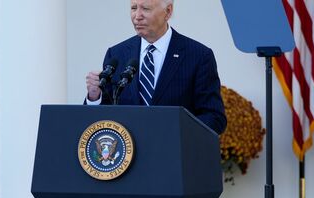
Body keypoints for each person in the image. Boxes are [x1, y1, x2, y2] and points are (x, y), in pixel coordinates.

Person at [84, 0, 227, 135]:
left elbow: (214, 117)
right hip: (127, 157)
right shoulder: (117, 54)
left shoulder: (198, 55)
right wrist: (94, 96)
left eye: (145, 8)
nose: (137, 16)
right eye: (134, 8)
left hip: (174, 155)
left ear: (168, 12)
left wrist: (172, 133)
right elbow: (103, 115)